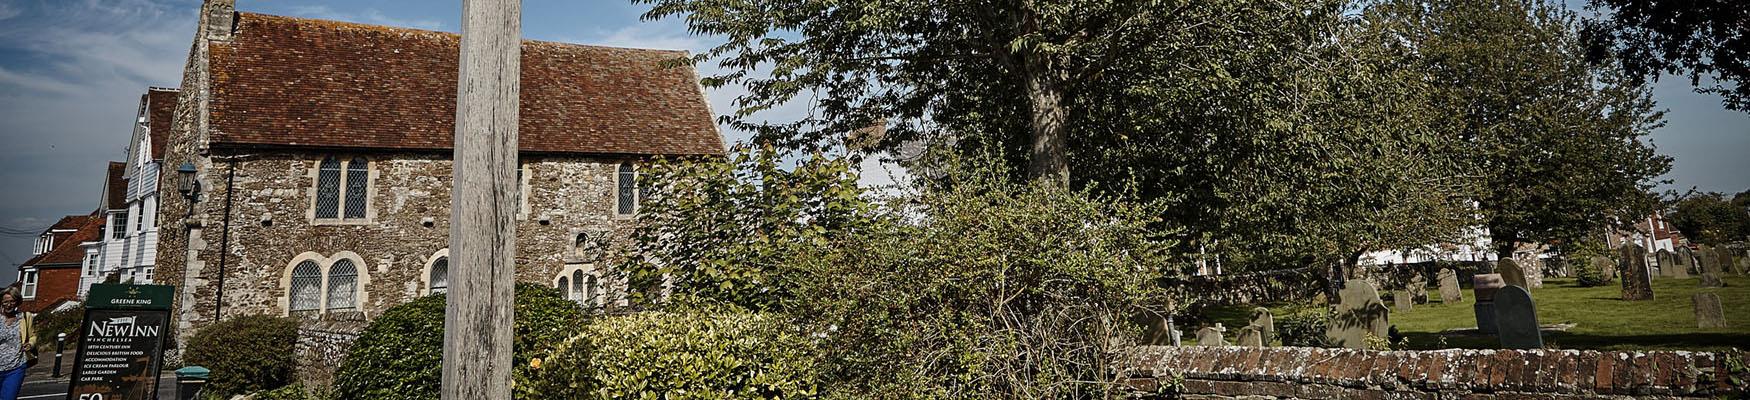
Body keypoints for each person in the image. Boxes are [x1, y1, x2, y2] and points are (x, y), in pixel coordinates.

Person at [0, 285, 34, 400]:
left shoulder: (25, 317)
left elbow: (33, 336)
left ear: (17, 302)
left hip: (16, 367)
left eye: (12, 301)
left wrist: (30, 344)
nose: (8, 305)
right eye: (5, 302)